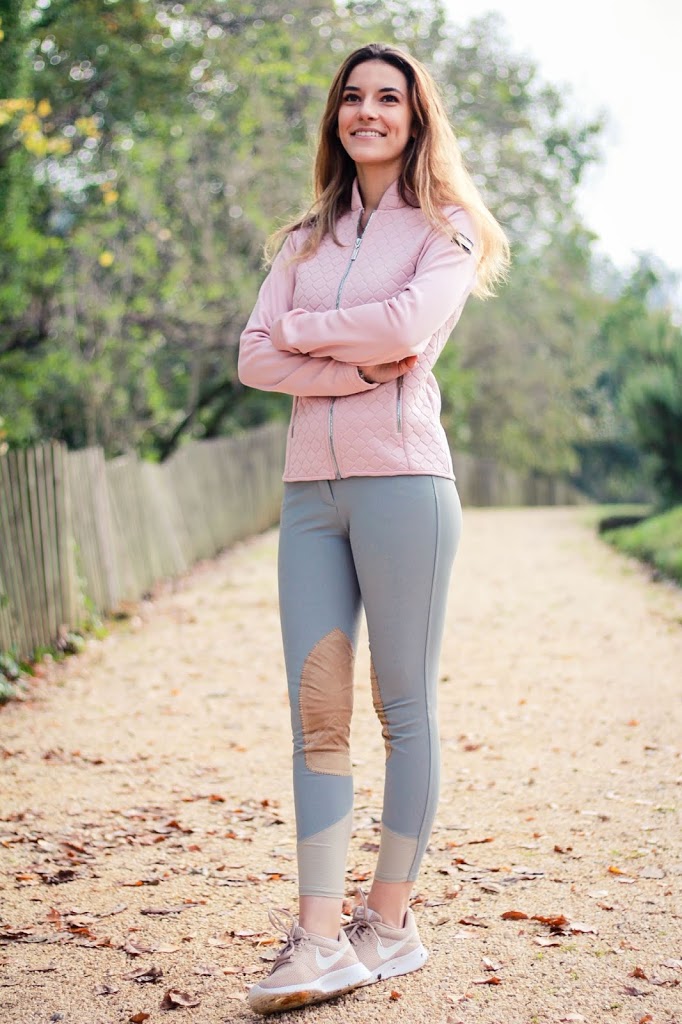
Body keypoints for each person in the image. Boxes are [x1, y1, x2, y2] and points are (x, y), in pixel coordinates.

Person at [238, 41, 509, 1015]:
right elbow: (250, 358)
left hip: (403, 487)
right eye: (351, 97)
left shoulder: (447, 230)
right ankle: (318, 937)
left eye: (386, 98)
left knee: (403, 710)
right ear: (335, 117)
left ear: (413, 116)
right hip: (310, 493)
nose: (366, 111)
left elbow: (403, 331)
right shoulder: (303, 237)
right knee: (317, 714)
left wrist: (305, 335)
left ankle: (388, 923)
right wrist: (343, 365)